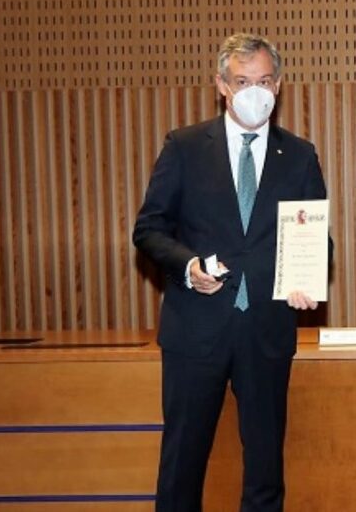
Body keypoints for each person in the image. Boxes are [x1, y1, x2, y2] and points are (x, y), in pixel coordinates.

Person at [133, 33, 329, 512]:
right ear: (221, 85)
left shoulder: (299, 154)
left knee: (265, 468)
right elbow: (149, 229)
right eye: (242, 82)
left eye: (264, 81)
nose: (254, 91)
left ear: (278, 85)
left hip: (266, 329)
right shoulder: (184, 147)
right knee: (182, 464)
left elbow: (316, 238)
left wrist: (307, 278)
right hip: (195, 330)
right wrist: (188, 266)